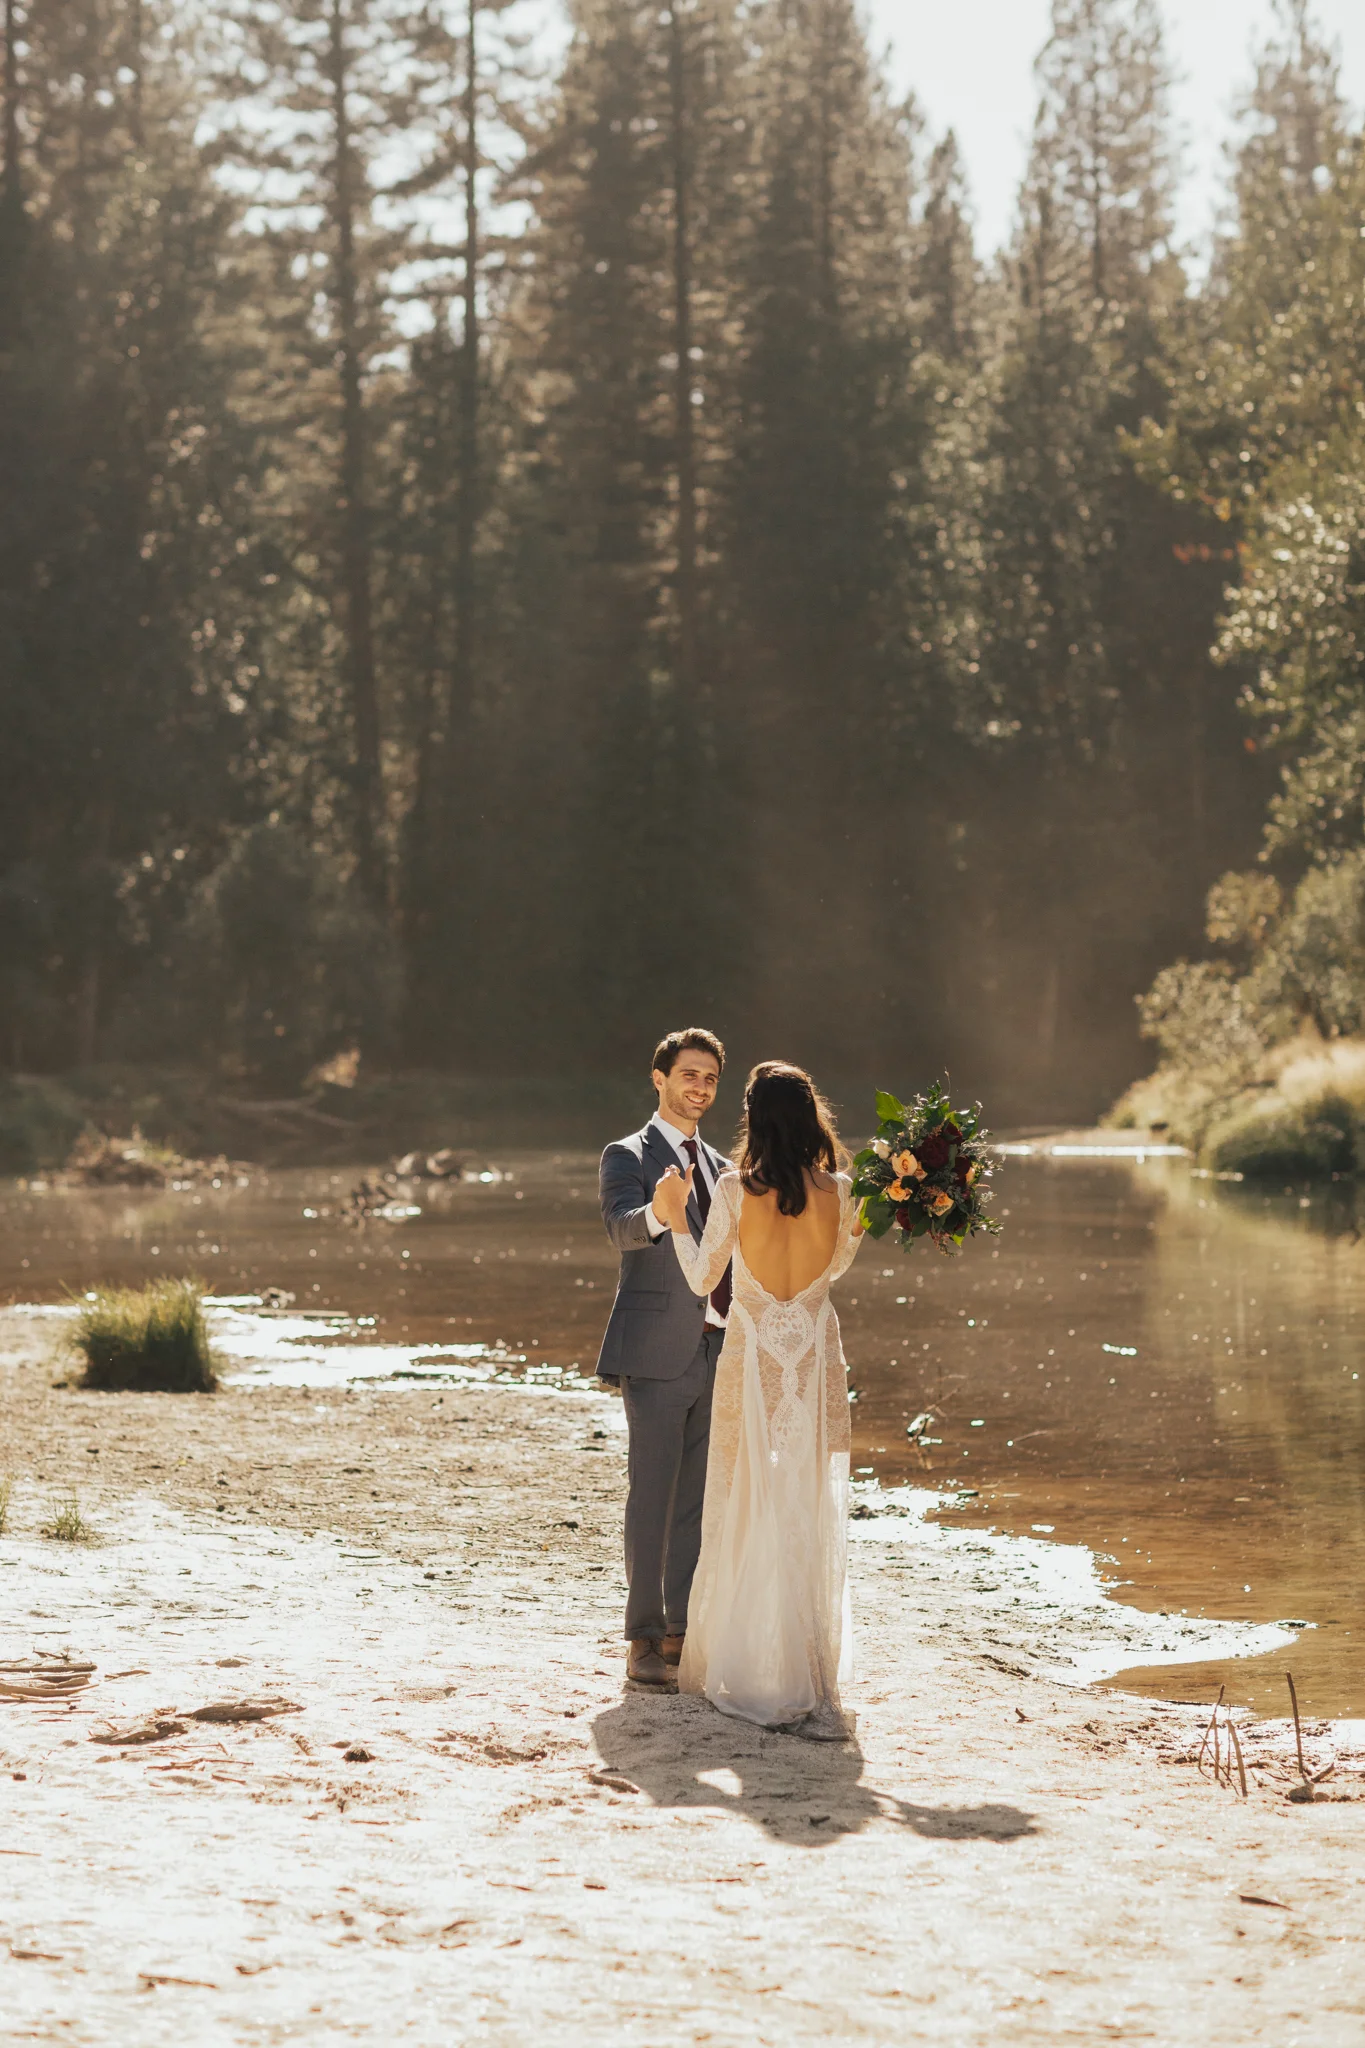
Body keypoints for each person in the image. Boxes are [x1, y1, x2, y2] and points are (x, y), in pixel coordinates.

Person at [650, 1060, 863, 1739]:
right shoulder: (846, 1192)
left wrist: (674, 1218)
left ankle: (744, 1662)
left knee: (743, 1498)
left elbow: (699, 1280)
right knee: (803, 1501)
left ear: (754, 1118)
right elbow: (837, 1270)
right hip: (811, 1358)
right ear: (811, 1117)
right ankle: (806, 1667)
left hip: (751, 1362)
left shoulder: (736, 1190)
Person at [596, 1028, 733, 1691]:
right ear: (659, 1078)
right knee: (651, 1496)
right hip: (654, 1353)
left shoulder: (723, 1168)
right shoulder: (626, 1153)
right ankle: (643, 1638)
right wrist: (658, 1212)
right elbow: (621, 1226)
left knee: (695, 1504)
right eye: (688, 1075)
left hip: (718, 1349)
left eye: (709, 1078)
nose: (699, 1087)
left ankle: (682, 1629)